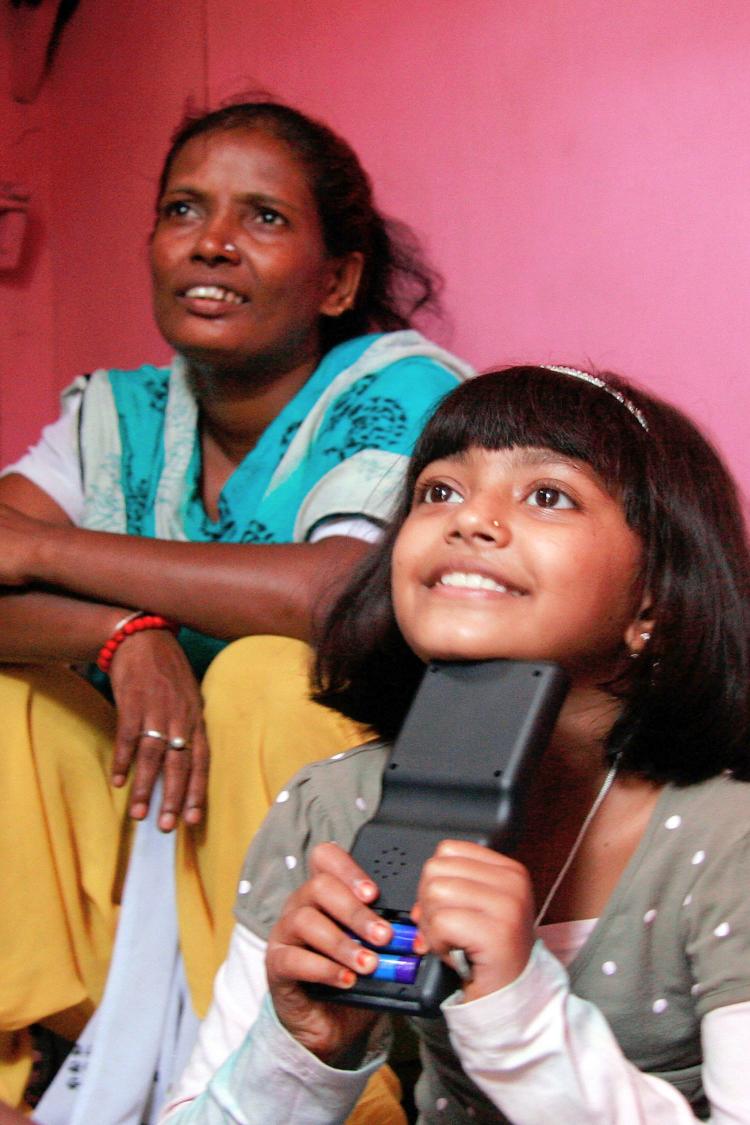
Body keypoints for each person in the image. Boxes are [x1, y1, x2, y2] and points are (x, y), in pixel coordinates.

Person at [0, 99, 472, 1121]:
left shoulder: (399, 392)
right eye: (184, 209)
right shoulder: (115, 414)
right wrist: (119, 633)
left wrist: (46, 549)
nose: (212, 241)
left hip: (368, 868)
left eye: (262, 217)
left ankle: (310, 1076)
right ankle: (33, 1075)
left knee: (267, 672)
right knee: (11, 696)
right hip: (154, 857)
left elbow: (332, 590)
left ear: (339, 279)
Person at [160, 364, 750, 1123]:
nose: (470, 521)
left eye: (548, 494)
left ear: (654, 599)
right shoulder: (334, 807)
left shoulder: (728, 838)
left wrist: (518, 1011)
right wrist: (304, 1048)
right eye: (440, 490)